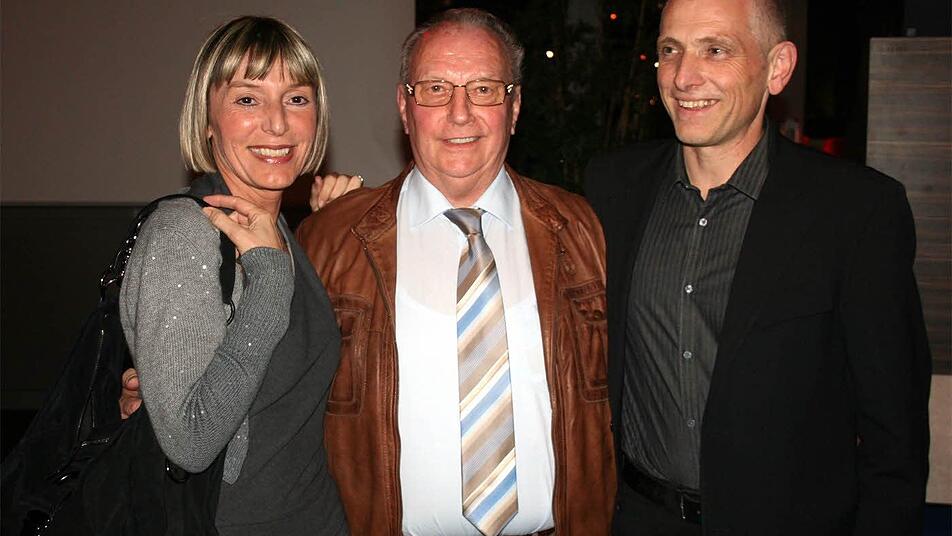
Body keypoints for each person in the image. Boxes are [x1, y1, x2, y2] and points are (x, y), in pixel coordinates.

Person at [584, 0, 932, 534]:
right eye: (670, 50)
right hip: (637, 518)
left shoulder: (857, 212)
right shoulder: (611, 188)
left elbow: (895, 434)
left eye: (715, 50)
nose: (683, 76)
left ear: (778, 68)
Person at [296, 8, 615, 535]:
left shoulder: (585, 231)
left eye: (484, 89)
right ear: (405, 107)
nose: (460, 113)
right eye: (436, 89)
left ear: (514, 107)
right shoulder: (329, 241)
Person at [119, 16, 354, 535]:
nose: (278, 124)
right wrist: (269, 281)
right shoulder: (185, 233)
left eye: (296, 99)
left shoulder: (281, 232)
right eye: (248, 99)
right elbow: (191, 442)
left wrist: (333, 226)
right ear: (207, 120)